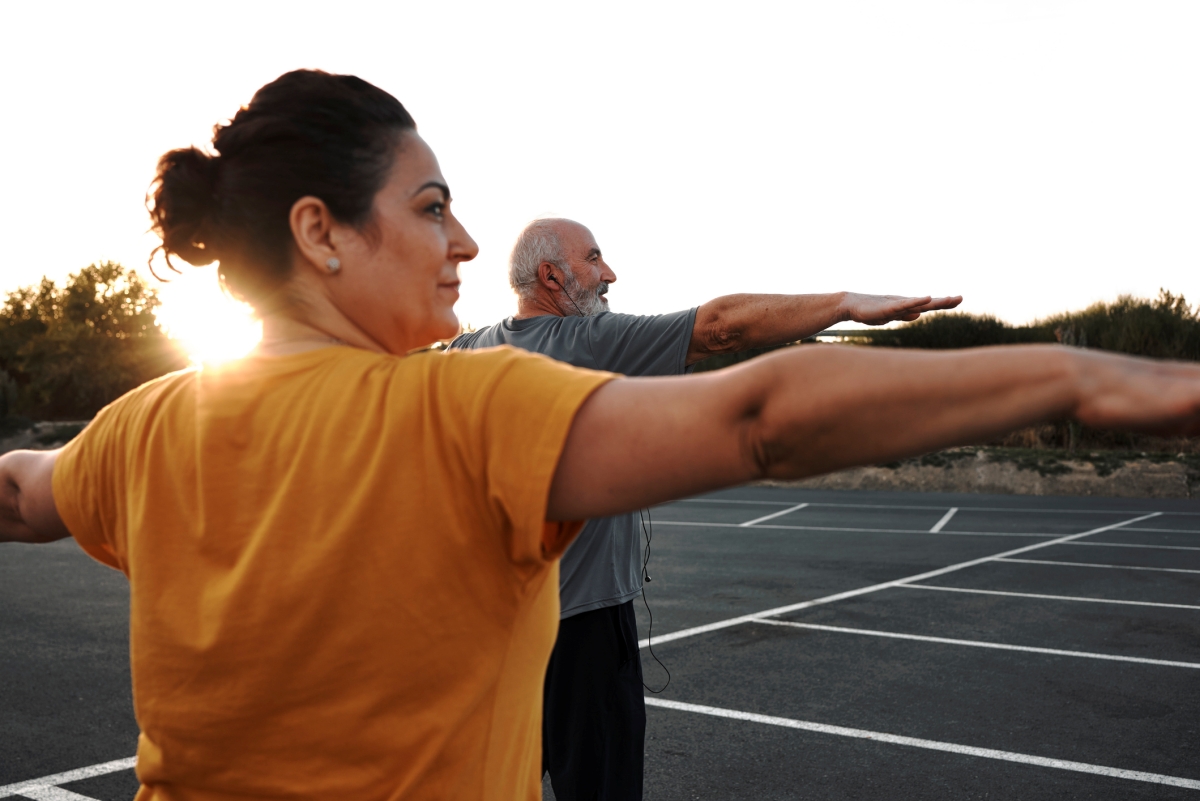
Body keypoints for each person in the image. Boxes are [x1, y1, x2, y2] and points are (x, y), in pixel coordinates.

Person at [3, 70, 1200, 801]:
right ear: (321, 234)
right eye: (431, 208)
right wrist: (1080, 373)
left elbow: (17, 492)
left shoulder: (140, 430)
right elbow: (762, 420)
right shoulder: (462, 407)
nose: (464, 243)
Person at [450, 216, 962, 801]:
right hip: (582, 628)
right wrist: (844, 303)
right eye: (593, 259)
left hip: (492, 627)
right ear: (550, 276)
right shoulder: (587, 342)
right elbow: (720, 327)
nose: (609, 274)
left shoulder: (466, 352)